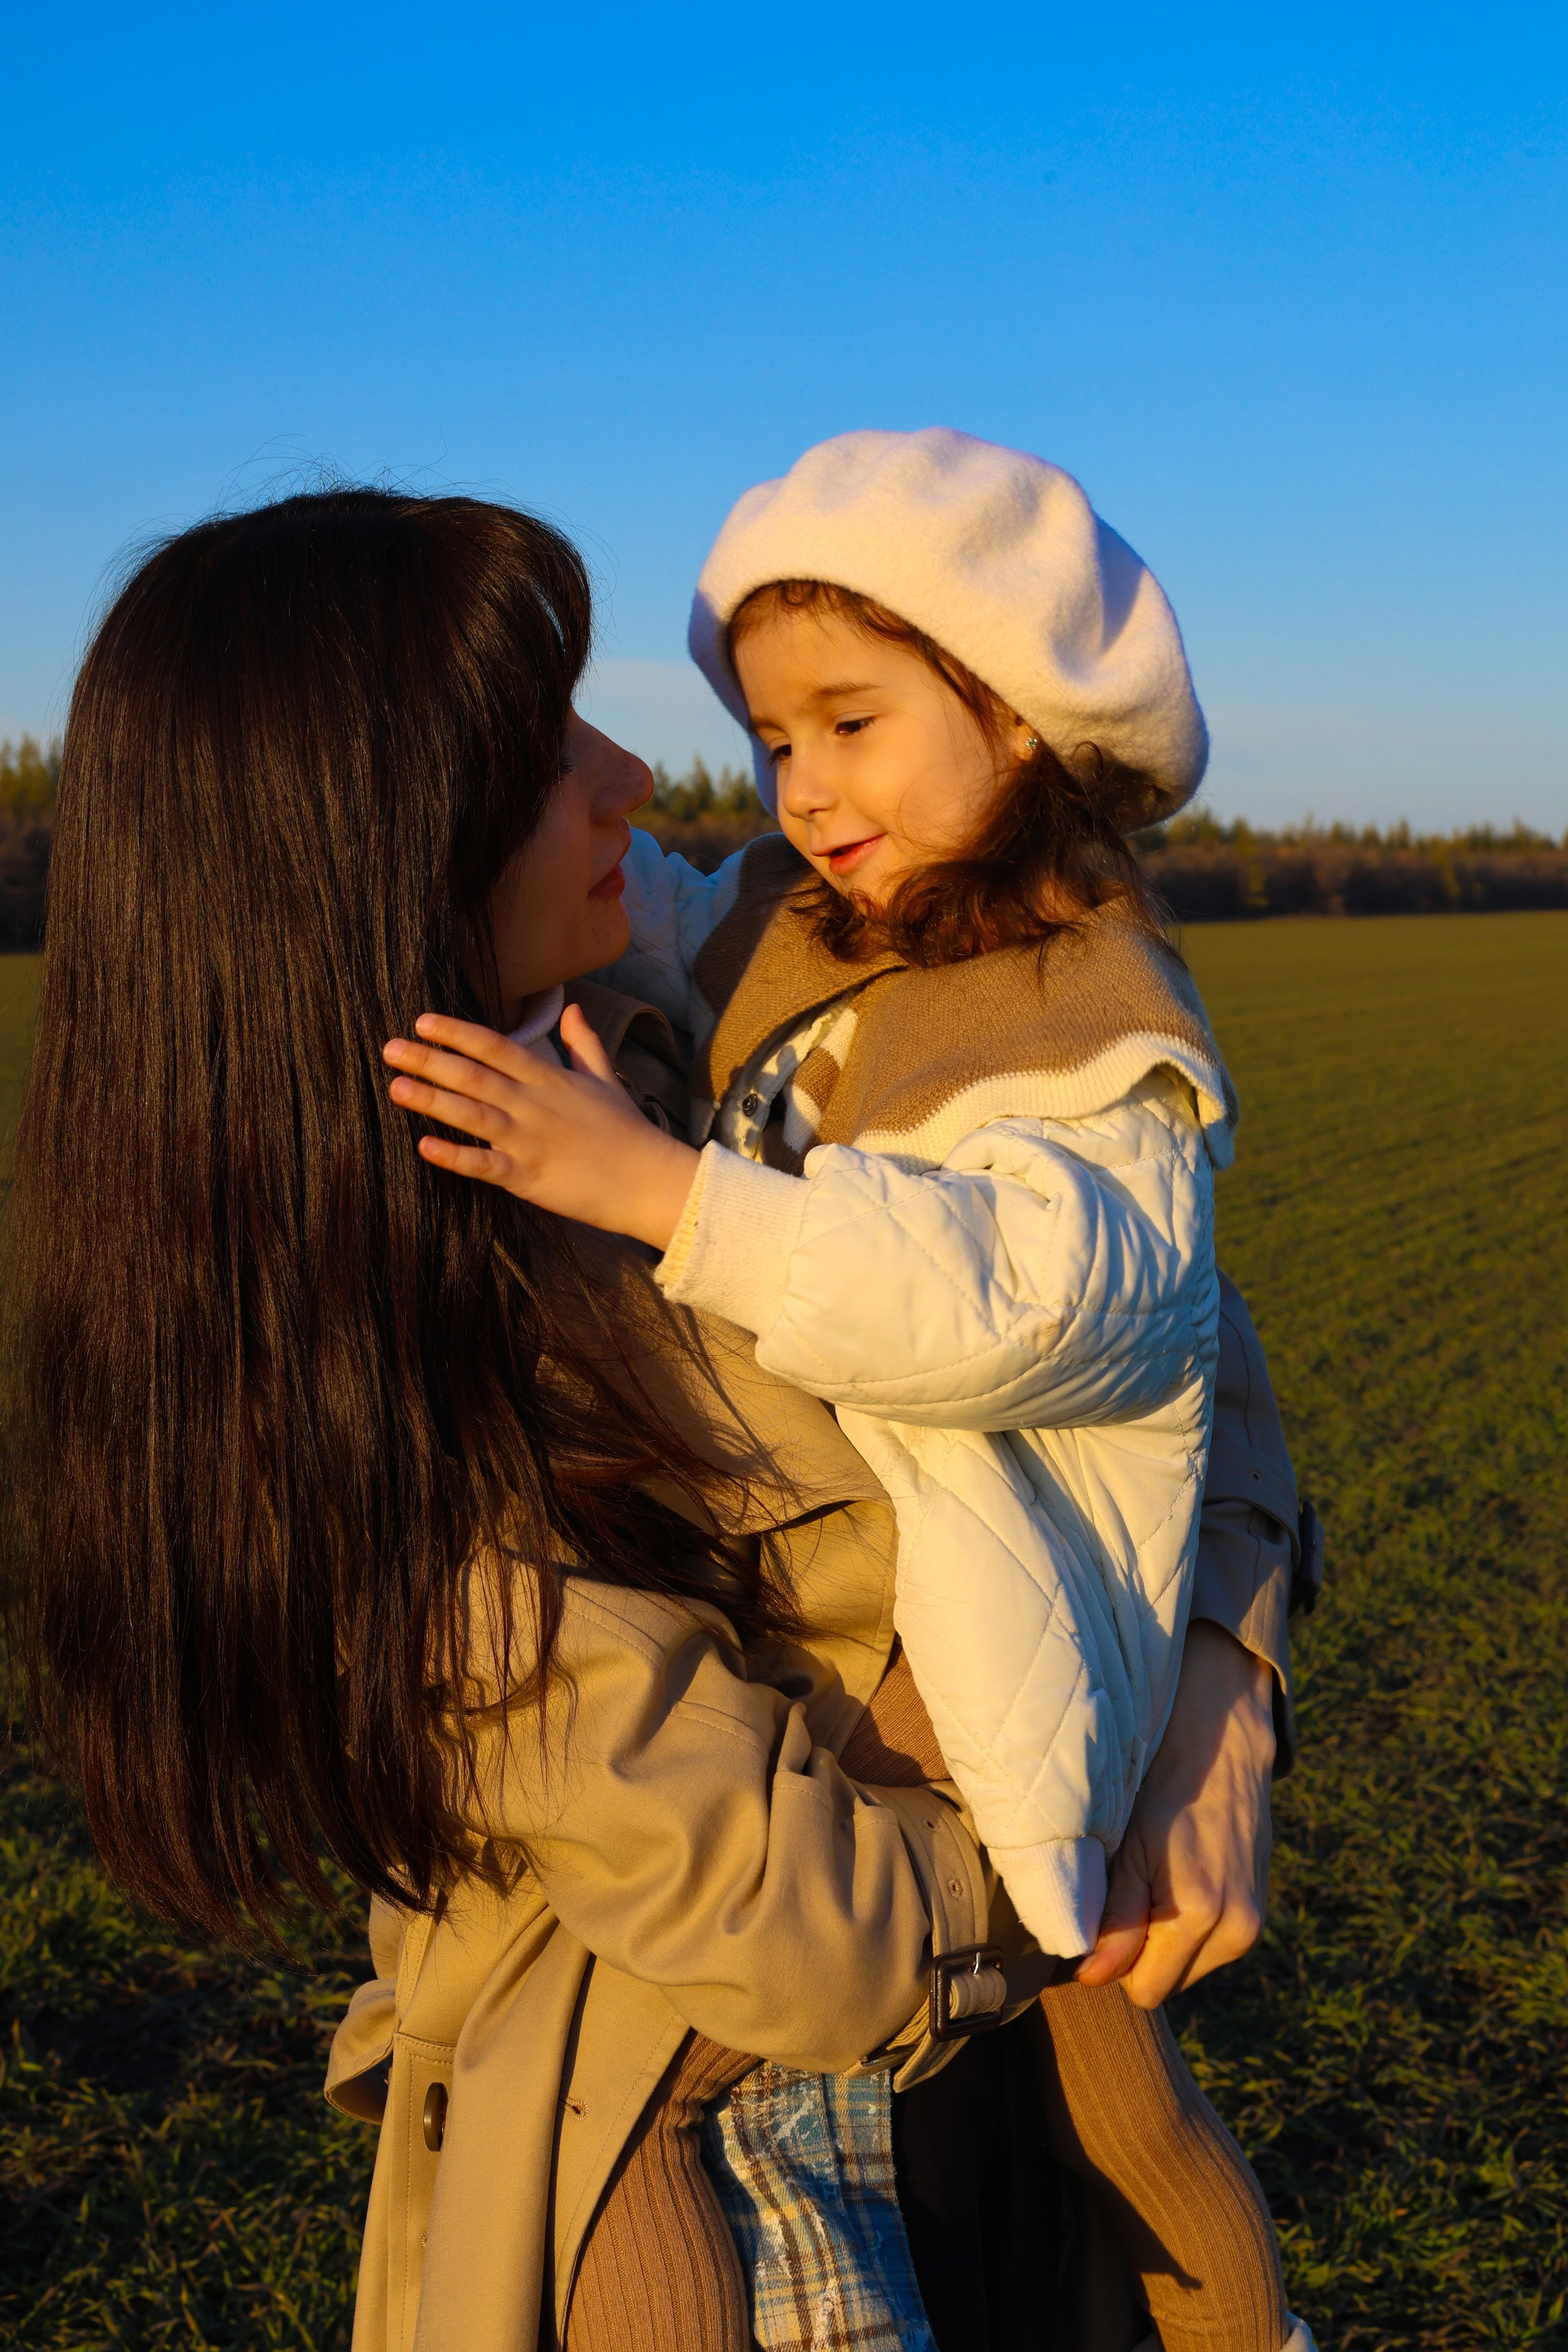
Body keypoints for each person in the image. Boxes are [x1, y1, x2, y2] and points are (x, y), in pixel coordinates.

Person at [9, 484, 1299, 2352]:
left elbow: (1158, 1312)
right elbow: (806, 1926)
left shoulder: (656, 1046)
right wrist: (1085, 1863)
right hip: (742, 2136)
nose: (639, 775)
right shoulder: (381, 1393)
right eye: (548, 753)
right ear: (386, 849)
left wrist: (1218, 1682)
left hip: (995, 2082)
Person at [377, 430, 1317, 2351]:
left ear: (1022, 714)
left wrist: (1226, 1669)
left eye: (851, 726)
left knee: (1134, 2132)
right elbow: (669, 908)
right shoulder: (768, 939)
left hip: (992, 1703)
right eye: (774, 738)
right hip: (813, 1922)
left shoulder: (1077, 1015)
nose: (786, 791)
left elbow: (1109, 1311)